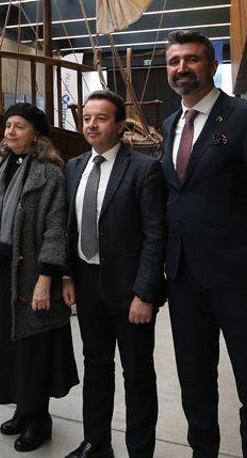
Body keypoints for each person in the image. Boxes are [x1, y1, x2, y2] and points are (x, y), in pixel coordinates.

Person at [160, 29, 247, 458]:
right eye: (174, 61)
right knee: (195, 382)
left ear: (212, 66)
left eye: (192, 59)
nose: (182, 68)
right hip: (183, 279)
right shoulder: (170, 125)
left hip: (239, 281)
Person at [61, 90, 167, 458]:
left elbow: (156, 235)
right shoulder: (74, 167)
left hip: (130, 291)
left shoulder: (144, 169)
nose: (91, 124)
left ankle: (140, 451)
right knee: (96, 366)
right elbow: (68, 227)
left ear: (120, 126)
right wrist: (66, 276)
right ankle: (96, 443)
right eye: (87, 118)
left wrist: (146, 293)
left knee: (137, 375)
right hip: (87, 285)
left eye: (101, 118)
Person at [0, 103, 78, 453]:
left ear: (36, 134)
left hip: (32, 273)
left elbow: (56, 228)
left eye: (19, 126)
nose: (10, 132)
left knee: (35, 349)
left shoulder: (49, 174)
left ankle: (40, 419)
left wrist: (46, 277)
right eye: (8, 125)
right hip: (3, 272)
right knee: (11, 348)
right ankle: (23, 409)